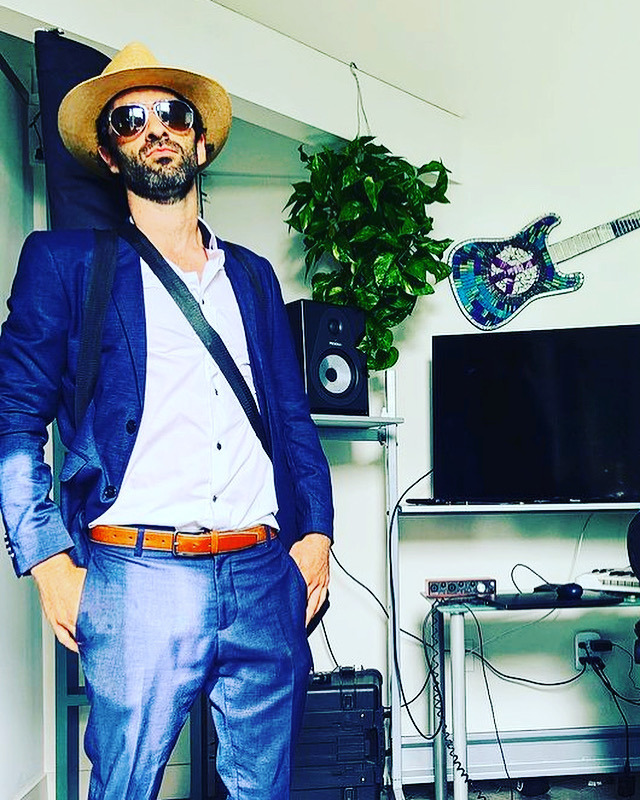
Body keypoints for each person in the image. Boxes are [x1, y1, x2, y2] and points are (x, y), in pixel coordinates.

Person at [0, 41, 333, 800]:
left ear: (201, 141)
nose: (155, 129)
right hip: (137, 576)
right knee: (125, 788)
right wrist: (48, 563)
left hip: (262, 572)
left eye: (173, 115)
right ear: (110, 155)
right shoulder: (64, 263)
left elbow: (291, 416)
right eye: (130, 120)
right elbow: (13, 422)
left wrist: (316, 534)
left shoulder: (253, 275)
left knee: (265, 790)